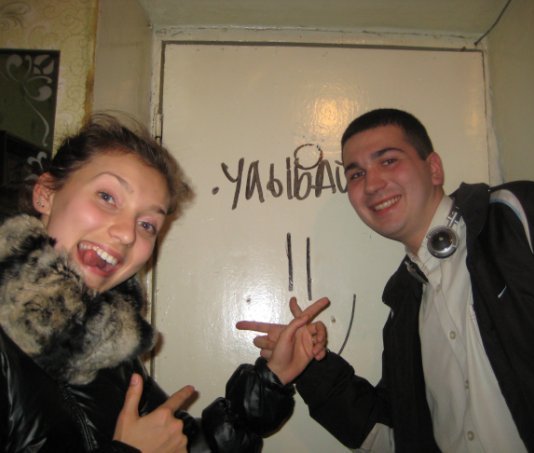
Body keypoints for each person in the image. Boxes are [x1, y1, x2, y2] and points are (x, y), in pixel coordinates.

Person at [238, 108, 534, 452]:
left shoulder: (523, 217)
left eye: (388, 161)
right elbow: (397, 435)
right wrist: (309, 366)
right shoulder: (405, 307)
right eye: (356, 174)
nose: (372, 184)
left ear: (434, 169)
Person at [0, 113, 328, 452]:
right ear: (46, 194)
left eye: (147, 225)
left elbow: (183, 444)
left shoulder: (105, 343)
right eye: (107, 197)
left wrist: (272, 377)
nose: (127, 234)